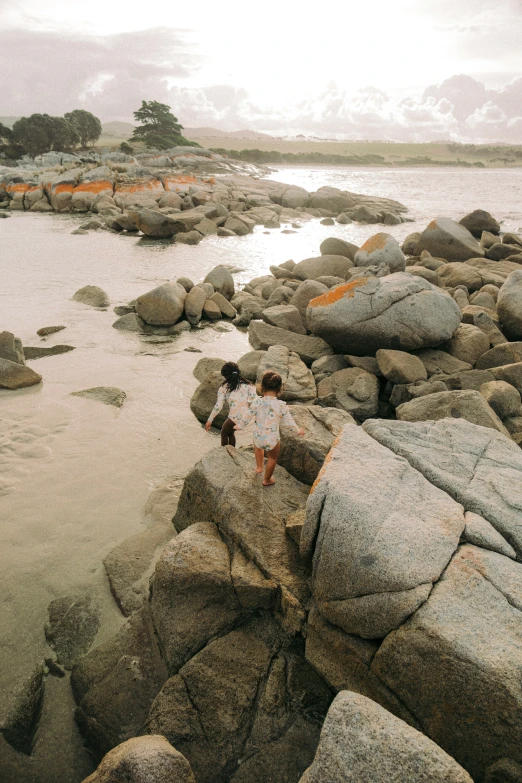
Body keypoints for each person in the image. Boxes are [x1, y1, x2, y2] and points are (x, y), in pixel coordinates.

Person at [240, 370, 304, 487]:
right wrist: (297, 430)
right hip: (272, 439)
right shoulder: (281, 405)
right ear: (279, 389)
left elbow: (247, 415)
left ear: (261, 386)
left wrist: (239, 426)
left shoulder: (256, 402)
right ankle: (267, 479)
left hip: (258, 436)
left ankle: (259, 467)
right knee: (272, 458)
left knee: (258, 448)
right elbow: (289, 420)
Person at [205, 361, 257, 447]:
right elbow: (253, 400)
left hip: (234, 417)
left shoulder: (224, 387)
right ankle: (232, 452)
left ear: (226, 376)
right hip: (247, 416)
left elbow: (219, 406)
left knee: (224, 433)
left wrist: (210, 420)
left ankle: (225, 454)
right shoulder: (248, 384)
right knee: (230, 433)